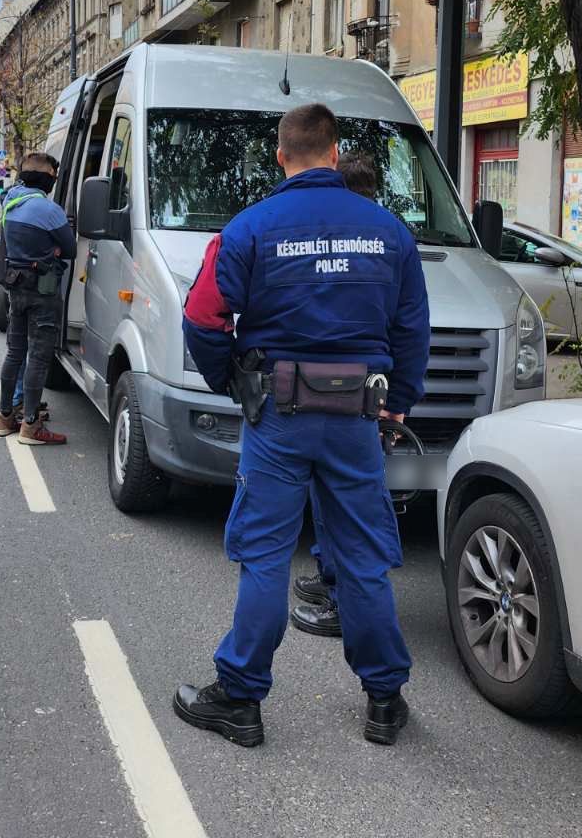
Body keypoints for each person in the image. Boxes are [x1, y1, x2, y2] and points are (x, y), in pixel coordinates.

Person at [175, 106, 428, 748]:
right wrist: (396, 402)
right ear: (336, 153)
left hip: (278, 417)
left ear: (280, 155)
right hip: (355, 422)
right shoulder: (389, 232)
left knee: (263, 554)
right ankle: (383, 700)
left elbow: (203, 317)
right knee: (363, 556)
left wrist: (229, 378)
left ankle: (239, 697)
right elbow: (410, 329)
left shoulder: (250, 228)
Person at [290, 147, 378, 640]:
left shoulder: (331, 237)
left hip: (329, 393)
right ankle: (329, 578)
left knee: (346, 509)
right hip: (368, 392)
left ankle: (344, 603)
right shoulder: (388, 236)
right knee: (339, 501)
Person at [0, 152, 74, 446]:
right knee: (38, 358)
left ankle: (4, 417)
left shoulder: (10, 202)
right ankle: (30, 425)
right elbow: (70, 249)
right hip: (43, 291)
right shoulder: (48, 210)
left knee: (15, 353)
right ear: (48, 179)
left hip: (17, 289)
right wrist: (53, 248)